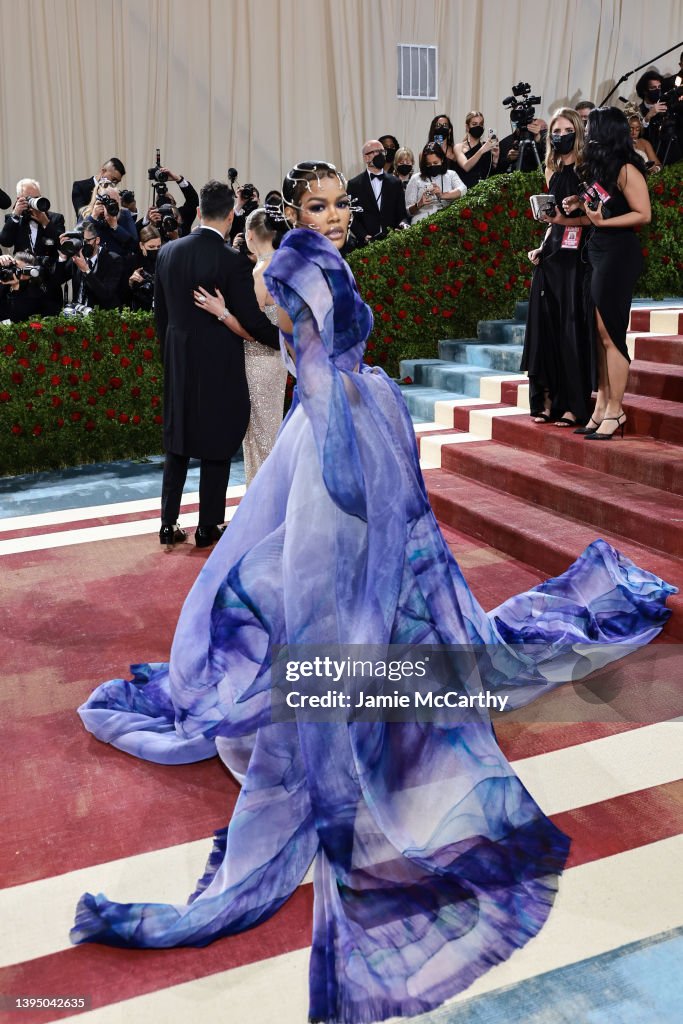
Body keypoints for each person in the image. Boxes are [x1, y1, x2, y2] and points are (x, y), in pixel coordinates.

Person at [71, 159, 676, 1024]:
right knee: (329, 587)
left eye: (339, 202)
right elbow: (304, 362)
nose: (337, 214)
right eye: (317, 205)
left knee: (363, 592)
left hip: (357, 422)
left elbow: (306, 344)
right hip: (336, 442)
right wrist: (350, 461)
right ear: (293, 212)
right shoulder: (292, 264)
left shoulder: (311, 260)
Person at [155, 179, 278, 550]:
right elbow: (254, 322)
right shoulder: (232, 261)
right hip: (219, 365)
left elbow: (160, 316)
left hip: (178, 360)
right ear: (230, 216)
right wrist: (286, 340)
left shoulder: (167, 252)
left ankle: (167, 524)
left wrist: (170, 355)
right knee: (217, 442)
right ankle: (208, 527)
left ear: (196, 212)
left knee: (177, 442)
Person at [563, 106, 651, 439]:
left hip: (619, 253)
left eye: (590, 126)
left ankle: (617, 409)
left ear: (605, 131)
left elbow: (644, 214)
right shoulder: (602, 169)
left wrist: (604, 222)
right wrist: (578, 203)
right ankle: (601, 405)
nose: (586, 132)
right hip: (599, 249)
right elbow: (600, 208)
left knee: (612, 334)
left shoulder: (629, 168)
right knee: (600, 335)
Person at [194, 206, 287, 486]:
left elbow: (251, 330)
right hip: (277, 361)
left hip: (259, 362)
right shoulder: (286, 267)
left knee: (261, 437)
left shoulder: (259, 274)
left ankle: (265, 507)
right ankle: (271, 503)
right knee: (269, 432)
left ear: (249, 235)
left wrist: (221, 311)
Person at [521, 108, 593, 427]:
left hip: (578, 256)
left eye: (565, 129)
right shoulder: (551, 170)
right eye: (555, 130)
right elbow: (553, 221)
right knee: (544, 327)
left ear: (577, 132)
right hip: (552, 253)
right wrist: (542, 242)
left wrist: (563, 220)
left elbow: (593, 218)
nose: (559, 135)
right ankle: (546, 398)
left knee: (570, 329)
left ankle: (573, 404)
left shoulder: (588, 169)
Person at [347, 139, 409, 243]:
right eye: (376, 152)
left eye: (382, 151)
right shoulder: (354, 184)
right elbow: (351, 215)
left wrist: (403, 226)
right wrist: (364, 236)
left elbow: (402, 214)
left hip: (393, 241)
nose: (381, 155)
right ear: (366, 158)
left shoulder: (395, 183)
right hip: (366, 244)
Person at [52, 222, 123, 310]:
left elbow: (106, 294)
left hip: (101, 315)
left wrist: (86, 270)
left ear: (97, 240)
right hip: (77, 313)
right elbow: (57, 281)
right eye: (80, 241)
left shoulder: (113, 259)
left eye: (86, 241)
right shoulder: (77, 256)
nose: (82, 245)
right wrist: (63, 256)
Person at [405, 142, 467, 223]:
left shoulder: (451, 174)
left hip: (446, 220)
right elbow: (408, 211)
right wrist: (419, 204)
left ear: (442, 159)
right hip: (421, 221)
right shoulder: (416, 178)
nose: (432, 166)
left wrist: (443, 195)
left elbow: (463, 190)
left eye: (435, 163)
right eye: (428, 164)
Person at [453, 111, 500, 187]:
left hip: (483, 192)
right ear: (467, 127)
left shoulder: (487, 146)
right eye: (474, 124)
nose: (478, 127)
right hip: (465, 193)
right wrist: (482, 150)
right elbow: (466, 166)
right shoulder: (459, 147)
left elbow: (491, 175)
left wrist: (495, 158)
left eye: (481, 124)